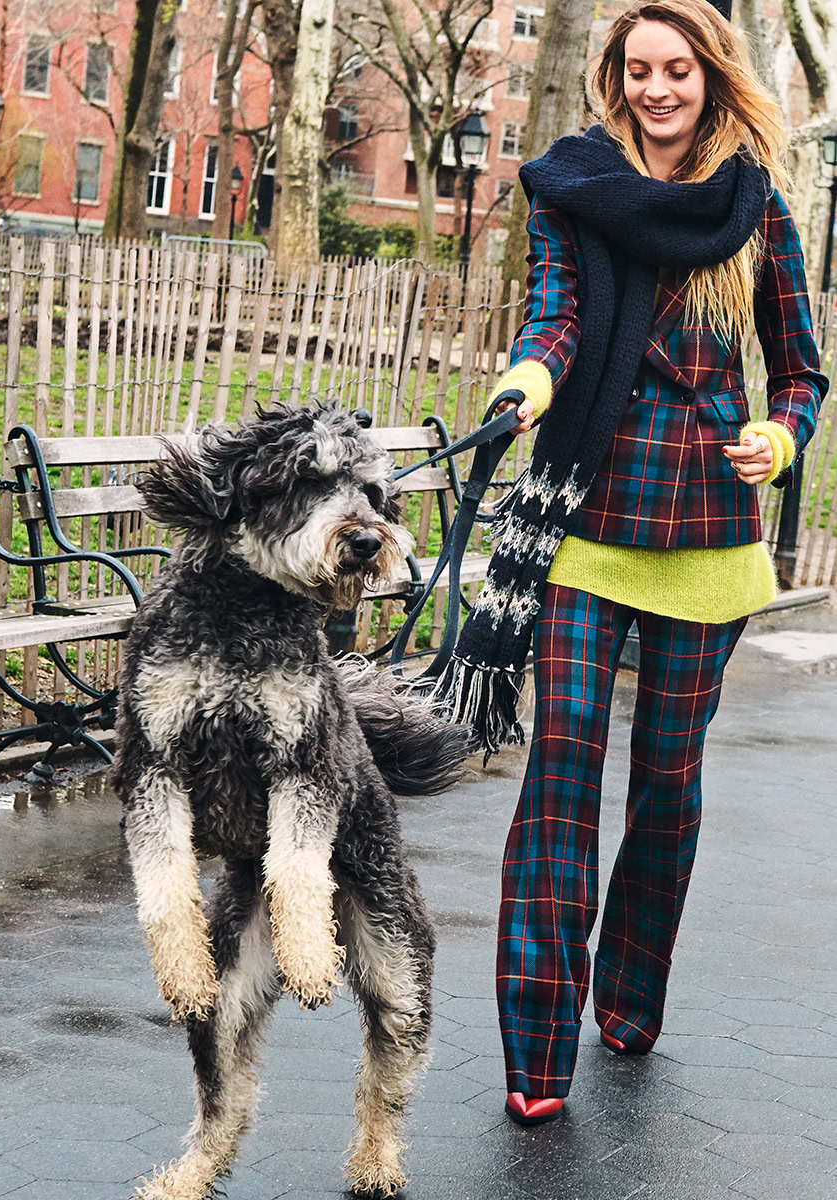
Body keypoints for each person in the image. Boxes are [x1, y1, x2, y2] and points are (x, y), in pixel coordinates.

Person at [431, 0, 828, 1125]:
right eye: (636, 70)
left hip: (705, 521)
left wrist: (780, 435)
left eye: (676, 70)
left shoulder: (754, 209)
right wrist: (526, 383)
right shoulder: (571, 189)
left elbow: (801, 368)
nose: (656, 90)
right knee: (559, 782)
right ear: (612, 78)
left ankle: (630, 988)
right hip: (585, 518)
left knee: (664, 781)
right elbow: (553, 318)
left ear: (709, 76)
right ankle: (535, 1048)